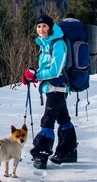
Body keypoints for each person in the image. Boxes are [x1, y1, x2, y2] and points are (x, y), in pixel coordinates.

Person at [21, 14, 78, 170]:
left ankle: (41, 155)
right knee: (64, 119)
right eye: (39, 27)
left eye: (44, 26)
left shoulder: (58, 44)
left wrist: (37, 76)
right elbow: (45, 68)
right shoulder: (46, 44)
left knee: (47, 121)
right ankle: (68, 152)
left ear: (51, 27)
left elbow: (55, 70)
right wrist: (32, 76)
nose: (41, 29)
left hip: (58, 87)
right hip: (52, 88)